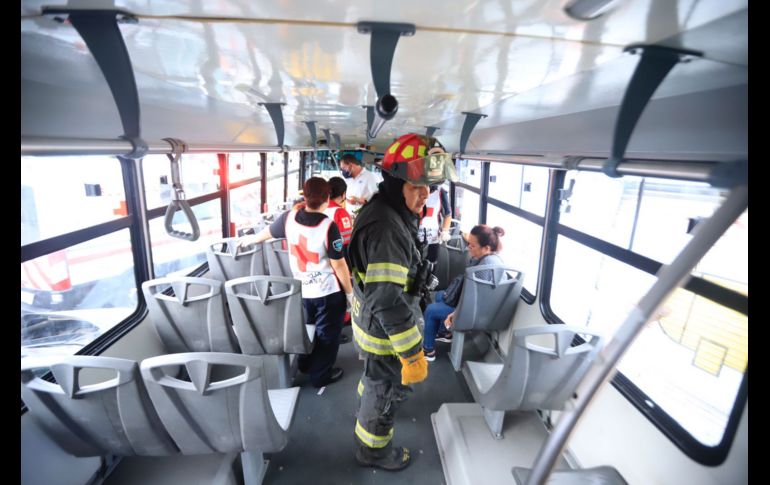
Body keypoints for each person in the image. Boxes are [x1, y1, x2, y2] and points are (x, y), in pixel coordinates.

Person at [348, 133, 457, 470]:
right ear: (396, 184)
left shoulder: (390, 212)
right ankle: (374, 451)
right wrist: (411, 354)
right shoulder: (386, 227)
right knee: (386, 391)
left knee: (376, 383)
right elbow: (387, 299)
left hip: (375, 327)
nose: (425, 194)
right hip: (384, 336)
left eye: (430, 187)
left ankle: (370, 406)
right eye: (417, 186)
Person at [237, 177, 353, 388]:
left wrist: (248, 240)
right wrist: (350, 294)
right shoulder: (329, 226)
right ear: (327, 198)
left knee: (307, 330)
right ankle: (320, 376)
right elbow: (339, 265)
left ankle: (305, 364)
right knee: (328, 336)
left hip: (300, 291)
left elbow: (267, 233)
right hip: (327, 293)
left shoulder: (288, 218)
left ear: (305, 197)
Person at [423, 225, 506, 362]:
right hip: (478, 304)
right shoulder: (491, 257)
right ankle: (445, 333)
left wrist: (455, 314)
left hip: (477, 313)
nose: (468, 248)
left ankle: (428, 351)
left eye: (472, 246)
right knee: (439, 296)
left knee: (431, 310)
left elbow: (476, 301)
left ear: (486, 248)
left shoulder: (485, 268)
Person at [419, 182, 453, 264]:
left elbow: (447, 215)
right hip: (413, 235)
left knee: (431, 264)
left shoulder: (441, 191)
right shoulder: (412, 188)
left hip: (433, 237)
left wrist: (445, 231)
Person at [324, 176, 354, 264]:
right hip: (336, 261)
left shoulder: (320, 207)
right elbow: (345, 244)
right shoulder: (340, 213)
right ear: (343, 194)